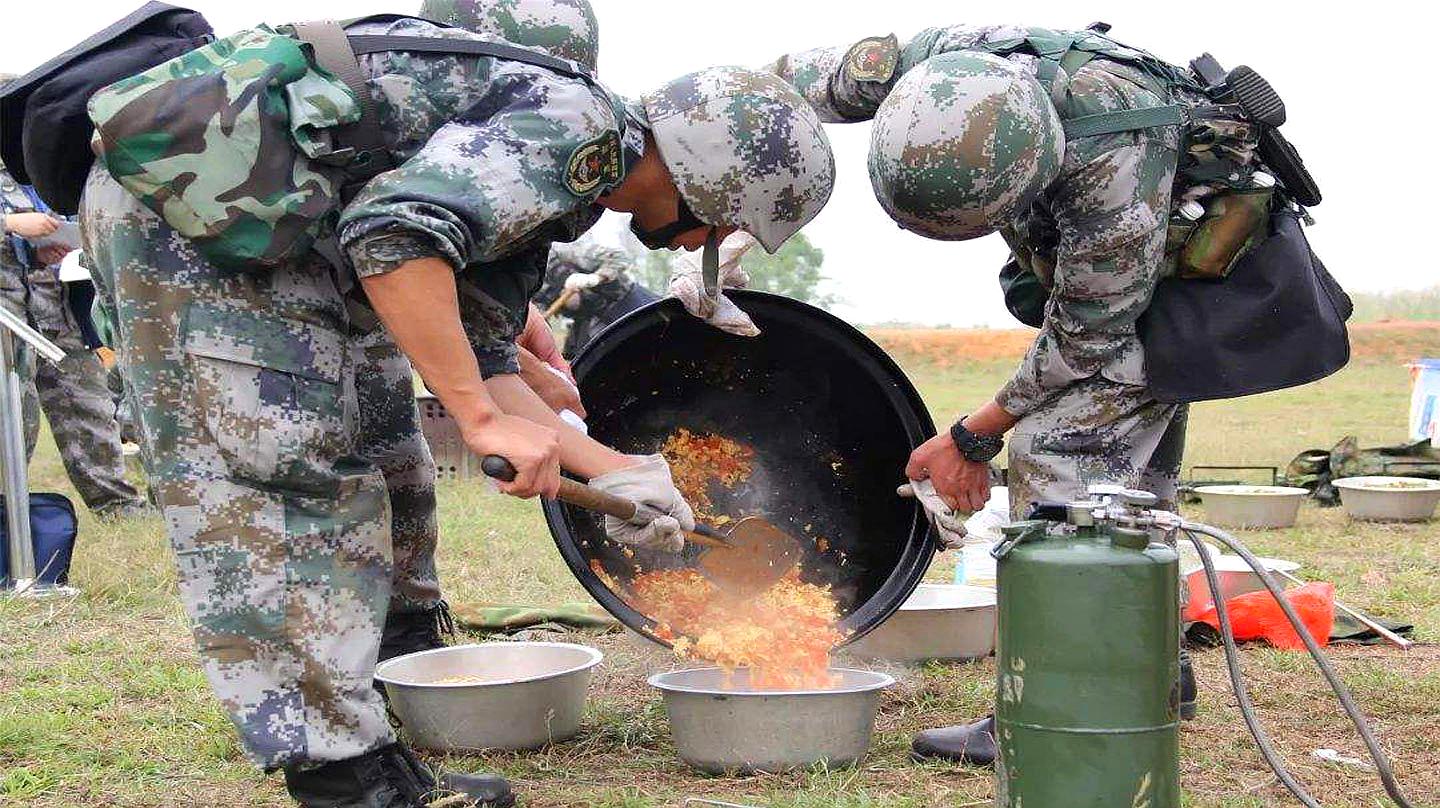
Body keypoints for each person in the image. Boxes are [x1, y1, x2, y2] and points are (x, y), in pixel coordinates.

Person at [81, 12, 833, 807]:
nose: (705, 243)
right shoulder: (577, 130)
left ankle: (383, 701)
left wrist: (621, 472)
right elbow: (394, 233)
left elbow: (480, 361)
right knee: (287, 478)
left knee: (388, 453)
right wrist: (478, 419)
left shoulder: (570, 187)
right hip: (189, 226)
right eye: (730, 219)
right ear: (711, 172)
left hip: (285, 236)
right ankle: (347, 779)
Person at [763, 24, 1245, 764]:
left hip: (1174, 274)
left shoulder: (1114, 162)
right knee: (1125, 481)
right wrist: (732, 214)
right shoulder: (929, 75)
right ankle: (1148, 672)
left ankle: (1060, 704)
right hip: (1106, 277)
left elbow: (1089, 336)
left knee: (1063, 457)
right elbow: (771, 91)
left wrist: (970, 438)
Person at [0, 157, 146, 517]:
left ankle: (119, 506)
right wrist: (8, 224)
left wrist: (38, 249)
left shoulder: (29, 165)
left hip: (55, 309)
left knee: (89, 406)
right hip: (7, 320)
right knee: (14, 419)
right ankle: (7, 518)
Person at [534, 237, 658, 358]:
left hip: (630, 302)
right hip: (590, 319)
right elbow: (538, 318)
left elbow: (619, 257)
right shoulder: (525, 286)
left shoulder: (565, 253)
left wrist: (595, 278)